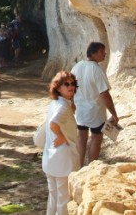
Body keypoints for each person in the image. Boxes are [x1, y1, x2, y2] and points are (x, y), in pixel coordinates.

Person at [70, 42, 119, 167]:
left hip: (81, 111)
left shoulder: (77, 67)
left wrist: (72, 103)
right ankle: (91, 168)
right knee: (96, 139)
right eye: (102, 52)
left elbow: (70, 87)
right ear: (94, 53)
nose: (105, 54)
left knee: (81, 140)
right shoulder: (96, 70)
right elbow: (105, 95)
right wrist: (113, 113)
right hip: (96, 113)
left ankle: (79, 168)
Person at [42, 71, 81, 215]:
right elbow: (53, 124)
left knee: (53, 197)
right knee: (64, 200)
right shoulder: (63, 106)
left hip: (50, 158)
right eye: (67, 84)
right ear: (58, 87)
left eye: (73, 84)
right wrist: (61, 136)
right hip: (62, 159)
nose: (71, 87)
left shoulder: (57, 103)